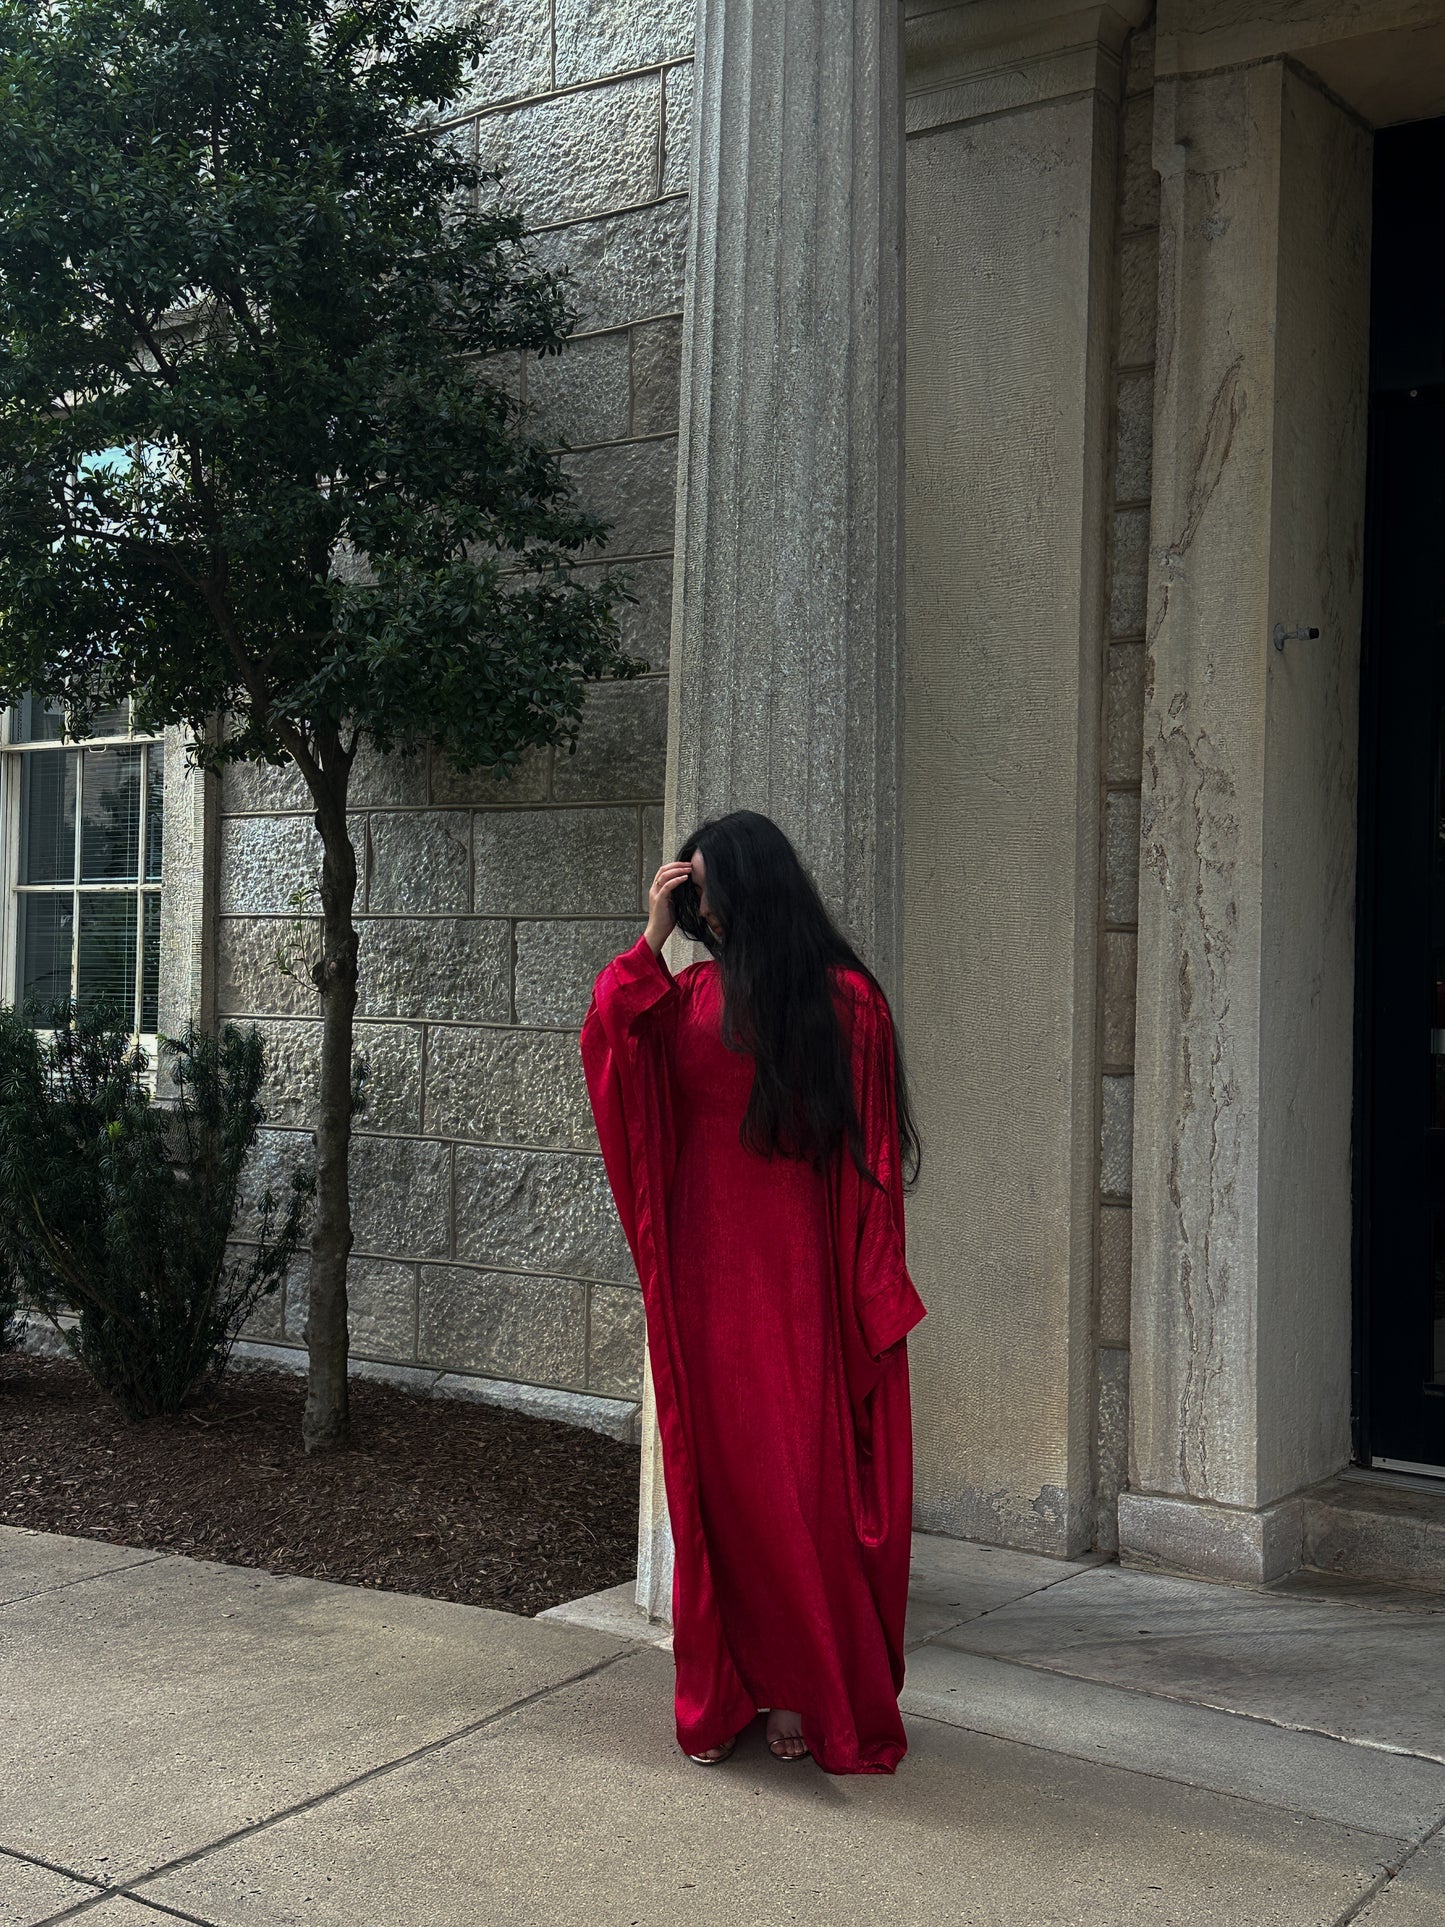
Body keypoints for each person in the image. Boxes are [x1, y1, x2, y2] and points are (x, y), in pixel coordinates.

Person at [580, 809, 926, 1774]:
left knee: (795, 1487)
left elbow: (874, 1164)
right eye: (691, 901)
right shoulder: (684, 993)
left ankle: (799, 1687)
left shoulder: (846, 1002)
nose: (703, 915)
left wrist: (870, 1291)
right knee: (717, 1493)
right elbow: (611, 1036)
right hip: (701, 1285)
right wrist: (648, 937)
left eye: (708, 896)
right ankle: (728, 1685)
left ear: (753, 890)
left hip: (798, 1287)